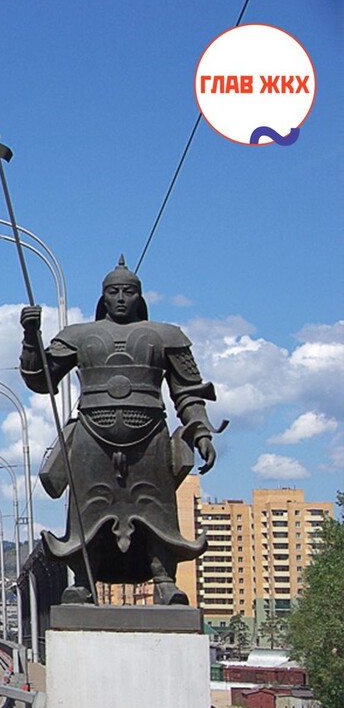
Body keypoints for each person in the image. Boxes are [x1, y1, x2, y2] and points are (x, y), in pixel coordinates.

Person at [19, 257, 223, 605]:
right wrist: (30, 337)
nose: (121, 298)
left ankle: (164, 581)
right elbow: (42, 380)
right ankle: (83, 582)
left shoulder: (166, 336)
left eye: (129, 292)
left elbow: (187, 390)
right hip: (91, 436)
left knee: (155, 507)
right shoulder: (79, 336)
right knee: (87, 508)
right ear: (103, 297)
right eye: (114, 292)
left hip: (149, 436)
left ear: (140, 297)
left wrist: (200, 429)